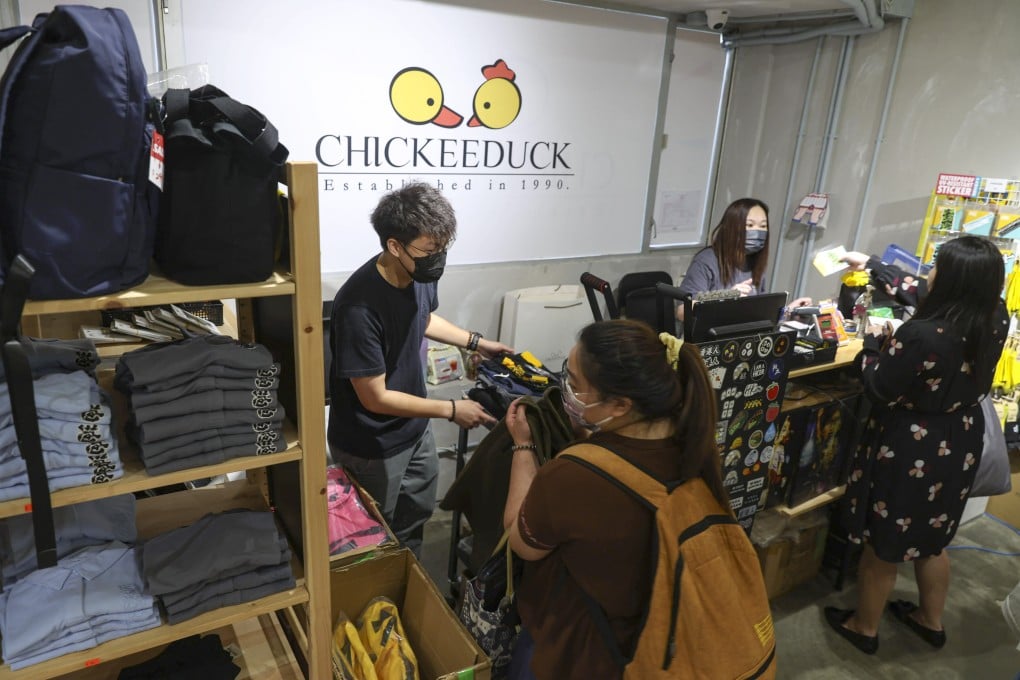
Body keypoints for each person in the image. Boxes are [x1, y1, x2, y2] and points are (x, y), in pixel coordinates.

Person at [501, 319, 737, 678]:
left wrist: (523, 445)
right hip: (657, 643)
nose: (565, 391)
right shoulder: (692, 448)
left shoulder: (574, 474)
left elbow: (520, 541)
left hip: (577, 652)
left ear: (621, 404)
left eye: (575, 384)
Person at [825, 235, 1009, 654]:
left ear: (951, 280)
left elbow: (878, 388)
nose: (929, 272)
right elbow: (917, 289)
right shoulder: (994, 316)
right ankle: (930, 621)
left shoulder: (922, 334)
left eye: (936, 266)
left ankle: (863, 627)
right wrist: (871, 263)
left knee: (883, 544)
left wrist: (874, 346)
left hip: (911, 446)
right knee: (932, 539)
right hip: (960, 438)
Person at [327, 182, 512, 556]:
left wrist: (476, 342)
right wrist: (451, 410)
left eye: (443, 248)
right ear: (395, 246)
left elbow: (422, 317)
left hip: (414, 428)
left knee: (414, 519)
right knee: (374, 538)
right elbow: (375, 398)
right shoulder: (359, 307)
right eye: (429, 250)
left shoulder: (417, 274)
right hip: (372, 444)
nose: (438, 258)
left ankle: (409, 581)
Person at [677, 197, 810, 320]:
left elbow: (759, 314)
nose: (757, 231)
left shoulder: (755, 262)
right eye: (750, 225)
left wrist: (789, 311)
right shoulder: (706, 260)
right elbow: (682, 312)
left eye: (763, 226)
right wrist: (725, 296)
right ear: (732, 228)